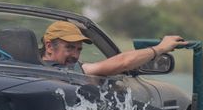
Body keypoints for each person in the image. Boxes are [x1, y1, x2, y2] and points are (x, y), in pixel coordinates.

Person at [40, 20, 187, 76]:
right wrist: (160, 48)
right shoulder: (71, 71)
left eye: (79, 49)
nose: (75, 55)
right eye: (70, 47)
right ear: (49, 47)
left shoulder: (19, 64)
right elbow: (123, 62)